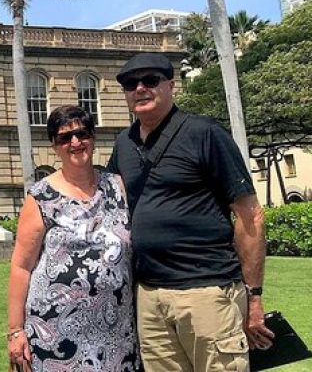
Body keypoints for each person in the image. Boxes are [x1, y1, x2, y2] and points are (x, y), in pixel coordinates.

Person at [107, 52, 273, 371]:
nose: (140, 88)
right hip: (150, 296)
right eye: (130, 83)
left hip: (207, 291)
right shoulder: (124, 144)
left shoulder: (204, 133)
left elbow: (250, 215)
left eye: (150, 80)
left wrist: (253, 296)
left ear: (171, 85)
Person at [7, 105, 140, 371]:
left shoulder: (117, 187)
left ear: (93, 136)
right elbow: (21, 267)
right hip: (55, 332)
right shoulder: (41, 196)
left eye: (82, 133)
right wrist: (15, 330)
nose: (75, 143)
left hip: (117, 331)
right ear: (55, 145)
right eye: (64, 137)